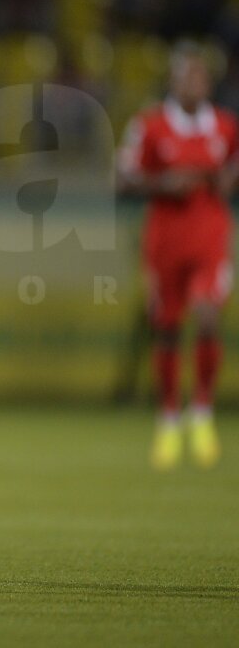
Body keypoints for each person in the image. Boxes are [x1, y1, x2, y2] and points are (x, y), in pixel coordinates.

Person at [118, 42, 238, 469]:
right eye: (187, 76)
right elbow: (124, 178)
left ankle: (201, 411)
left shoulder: (225, 126)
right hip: (165, 240)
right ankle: (168, 418)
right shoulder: (150, 125)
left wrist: (227, 179)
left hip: (210, 237)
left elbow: (233, 165)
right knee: (167, 328)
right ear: (173, 80)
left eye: (201, 77)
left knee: (207, 315)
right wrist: (165, 184)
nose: (194, 84)